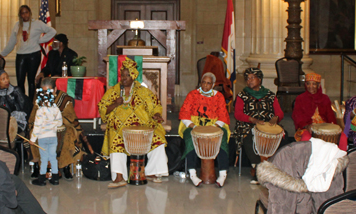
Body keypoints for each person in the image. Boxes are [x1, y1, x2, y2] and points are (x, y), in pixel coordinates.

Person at [98, 57, 168, 188]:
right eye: (122, 75)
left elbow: (154, 106)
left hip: (142, 124)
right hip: (119, 126)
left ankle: (152, 172)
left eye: (127, 76)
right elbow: (102, 108)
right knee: (115, 135)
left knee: (158, 136)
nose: (123, 78)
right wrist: (114, 104)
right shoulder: (113, 91)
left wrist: (157, 114)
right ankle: (119, 176)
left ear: (134, 76)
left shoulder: (143, 91)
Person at [234, 68, 285, 184]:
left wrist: (276, 118)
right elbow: (238, 114)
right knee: (247, 135)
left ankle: (271, 167)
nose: (249, 81)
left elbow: (279, 112)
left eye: (252, 78)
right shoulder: (242, 95)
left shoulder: (270, 95)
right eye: (247, 79)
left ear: (260, 79)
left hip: (267, 124)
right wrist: (251, 119)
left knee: (278, 134)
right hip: (248, 124)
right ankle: (258, 167)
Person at [28, 77, 86, 180]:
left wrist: (54, 122)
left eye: (49, 91)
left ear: (55, 89)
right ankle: (40, 166)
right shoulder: (39, 100)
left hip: (62, 127)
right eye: (44, 91)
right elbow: (33, 118)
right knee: (33, 131)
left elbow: (70, 118)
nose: (46, 93)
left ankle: (65, 166)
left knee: (68, 133)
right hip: (45, 129)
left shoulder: (64, 98)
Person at [179, 72, 230, 187]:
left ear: (213, 85)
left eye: (208, 83)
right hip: (194, 124)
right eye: (203, 82)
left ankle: (223, 174)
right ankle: (192, 173)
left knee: (223, 136)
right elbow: (184, 113)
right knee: (190, 137)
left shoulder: (219, 96)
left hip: (214, 124)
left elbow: (223, 115)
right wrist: (195, 127)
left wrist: (213, 128)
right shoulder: (192, 94)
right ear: (200, 82)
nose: (205, 85)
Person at [0, 5, 56, 102]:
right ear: (20, 15)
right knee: (20, 80)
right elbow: (12, 42)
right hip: (21, 55)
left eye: (26, 12)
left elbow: (52, 31)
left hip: (34, 55)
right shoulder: (17, 25)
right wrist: (3, 54)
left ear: (29, 13)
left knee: (31, 80)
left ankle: (31, 102)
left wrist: (40, 40)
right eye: (23, 13)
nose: (25, 14)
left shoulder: (37, 23)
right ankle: (22, 102)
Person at [28, 87, 62, 186]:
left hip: (43, 138)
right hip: (53, 137)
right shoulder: (55, 108)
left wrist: (32, 140)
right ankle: (55, 178)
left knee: (44, 159)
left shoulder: (40, 111)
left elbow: (37, 127)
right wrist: (52, 125)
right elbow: (60, 123)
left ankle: (42, 179)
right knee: (53, 157)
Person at [0, 64, 31, 131]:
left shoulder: (15, 91)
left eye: (7, 78)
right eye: (3, 79)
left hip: (14, 120)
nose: (7, 81)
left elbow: (22, 109)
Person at [292, 73, 337, 141]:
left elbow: (330, 115)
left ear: (318, 86)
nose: (311, 86)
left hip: (323, 127)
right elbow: (297, 117)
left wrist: (333, 128)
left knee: (342, 137)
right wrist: (307, 126)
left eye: (314, 84)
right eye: (308, 84)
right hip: (306, 127)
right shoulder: (300, 98)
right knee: (306, 138)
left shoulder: (325, 98)